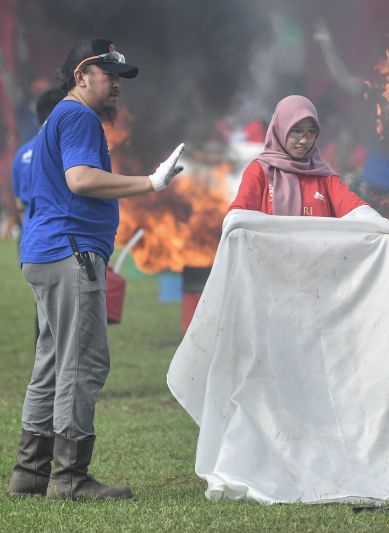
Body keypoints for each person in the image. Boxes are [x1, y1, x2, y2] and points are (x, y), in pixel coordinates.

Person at [9, 38, 185, 501]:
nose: (116, 85)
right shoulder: (79, 115)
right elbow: (81, 179)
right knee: (82, 362)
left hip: (46, 253)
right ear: (81, 75)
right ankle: (68, 479)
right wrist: (152, 182)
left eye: (119, 77)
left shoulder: (60, 116)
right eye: (108, 75)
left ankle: (30, 473)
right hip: (71, 252)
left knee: (50, 361)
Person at [229, 95, 367, 216]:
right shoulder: (259, 171)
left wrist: (378, 223)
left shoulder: (324, 176)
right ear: (280, 129)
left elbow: (355, 209)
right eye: (296, 131)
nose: (304, 140)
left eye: (311, 132)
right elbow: (239, 214)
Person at [12, 88, 65, 233]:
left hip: (30, 236)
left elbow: (20, 205)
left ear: (37, 119)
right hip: (61, 237)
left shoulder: (21, 153)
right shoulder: (66, 150)